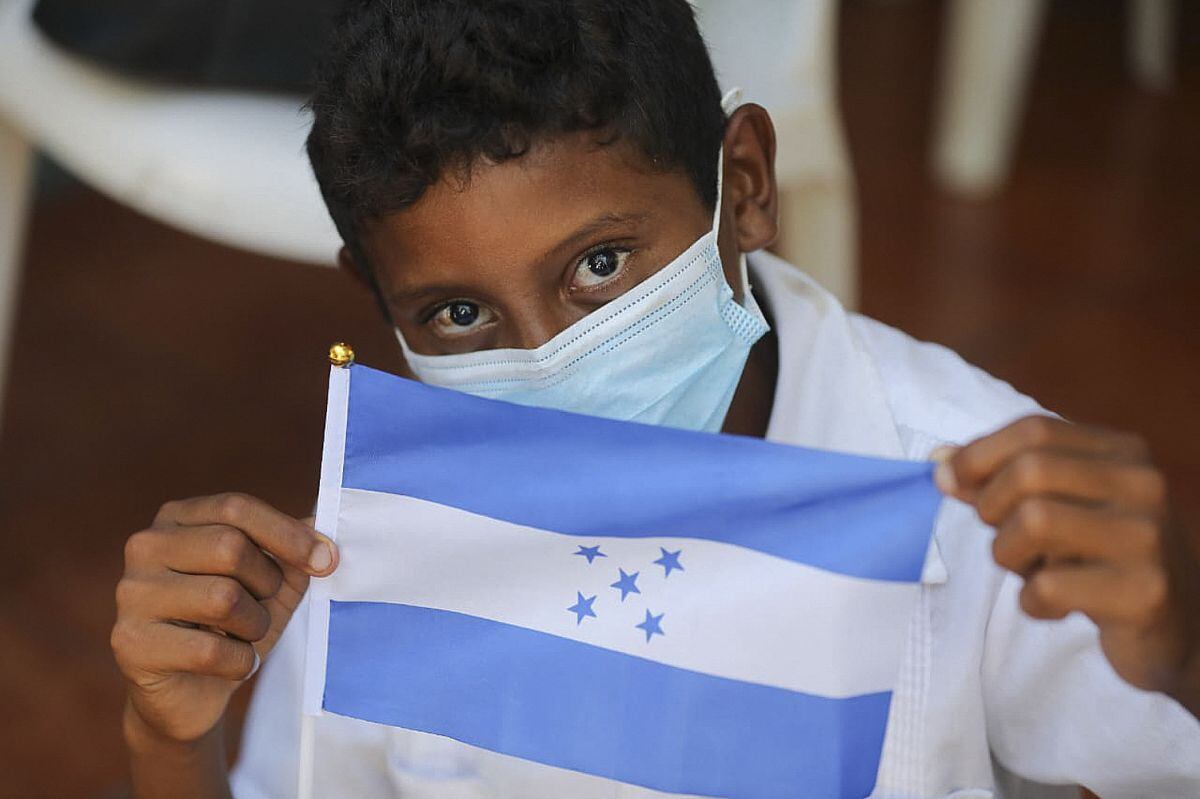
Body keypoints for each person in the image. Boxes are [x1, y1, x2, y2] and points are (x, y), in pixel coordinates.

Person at [109, 1, 1200, 797]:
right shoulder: (398, 537)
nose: (549, 364)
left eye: (599, 266)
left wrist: (1182, 650)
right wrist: (170, 739)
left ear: (746, 187)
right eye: (457, 315)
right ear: (380, 303)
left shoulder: (980, 503)